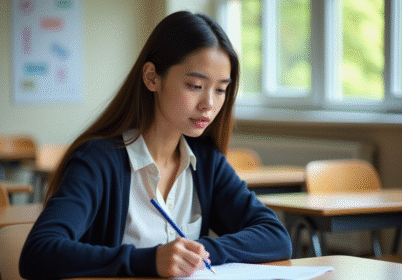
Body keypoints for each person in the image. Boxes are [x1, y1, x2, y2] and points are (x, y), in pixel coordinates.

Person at [19, 11, 292, 279]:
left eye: (220, 89)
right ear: (152, 78)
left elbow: (276, 237)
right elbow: (39, 253)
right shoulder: (98, 160)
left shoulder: (206, 160)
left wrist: (200, 251)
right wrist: (150, 260)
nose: (209, 104)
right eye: (195, 85)